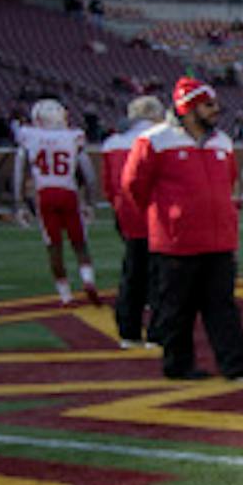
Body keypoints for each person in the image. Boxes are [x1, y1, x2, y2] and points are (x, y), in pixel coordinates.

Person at [121, 78, 243, 383]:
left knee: (223, 307)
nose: (216, 110)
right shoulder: (154, 141)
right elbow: (133, 186)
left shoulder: (222, 142)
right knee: (177, 309)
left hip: (219, 239)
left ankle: (238, 365)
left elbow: (229, 181)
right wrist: (167, 217)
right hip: (176, 241)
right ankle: (178, 365)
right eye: (208, 105)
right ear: (188, 108)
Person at [14, 98, 101, 306]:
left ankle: (65, 295)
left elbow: (19, 172)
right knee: (80, 243)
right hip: (68, 192)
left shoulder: (29, 135)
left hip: (44, 194)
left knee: (54, 246)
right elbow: (89, 175)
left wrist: (19, 203)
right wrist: (91, 202)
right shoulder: (73, 136)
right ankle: (88, 280)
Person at [100, 94, 164, 349]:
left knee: (132, 272)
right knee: (160, 274)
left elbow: (108, 185)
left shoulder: (112, 143)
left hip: (126, 213)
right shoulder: (160, 139)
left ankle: (129, 331)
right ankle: (158, 331)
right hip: (155, 213)